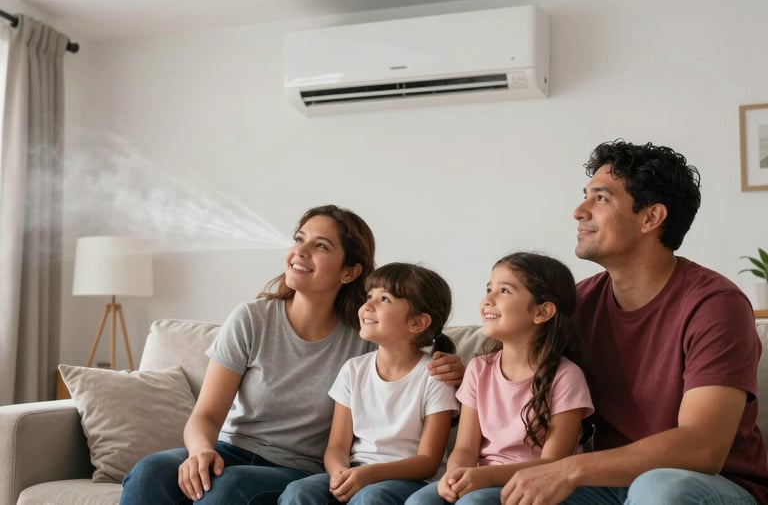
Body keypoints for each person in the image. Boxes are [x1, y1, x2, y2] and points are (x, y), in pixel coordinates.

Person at [120, 205, 465, 505]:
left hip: (299, 469)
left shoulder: (364, 336)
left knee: (229, 490)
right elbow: (207, 415)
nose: (301, 251)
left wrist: (453, 368)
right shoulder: (251, 319)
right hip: (229, 451)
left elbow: (410, 352)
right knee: (150, 471)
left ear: (350, 271)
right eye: (299, 239)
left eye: (320, 246)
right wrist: (200, 451)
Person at [501, 140, 768, 505]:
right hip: (608, 482)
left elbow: (703, 447)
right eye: (585, 196)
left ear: (650, 218)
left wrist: (570, 469)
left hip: (710, 484)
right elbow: (512, 371)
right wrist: (448, 368)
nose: (579, 211)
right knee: (488, 498)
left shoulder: (715, 306)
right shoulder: (577, 304)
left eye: (601, 198)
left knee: (658, 489)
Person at [406, 252, 594, 505]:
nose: (487, 299)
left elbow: (552, 463)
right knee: (419, 502)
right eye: (489, 288)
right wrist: (454, 475)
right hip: (480, 476)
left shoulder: (566, 376)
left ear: (542, 311)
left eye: (504, 291)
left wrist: (482, 476)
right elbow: (464, 449)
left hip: (534, 484)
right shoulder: (478, 368)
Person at [279, 262, 461, 505]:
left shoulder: (434, 378)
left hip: (409, 481)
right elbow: (336, 447)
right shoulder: (353, 370)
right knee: (299, 491)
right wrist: (339, 474)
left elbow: (428, 461)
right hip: (356, 471)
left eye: (384, 299)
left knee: (371, 497)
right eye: (369, 296)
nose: (367, 306)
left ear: (417, 323)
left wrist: (370, 474)